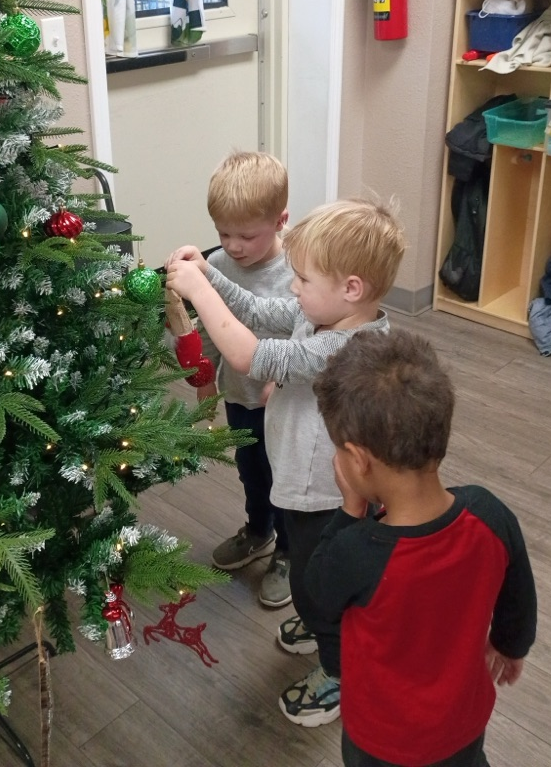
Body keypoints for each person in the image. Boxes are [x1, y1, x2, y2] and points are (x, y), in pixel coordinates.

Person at [165, 196, 406, 725]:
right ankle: (322, 624)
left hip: (326, 493)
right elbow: (256, 311)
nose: (292, 288)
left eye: (303, 280)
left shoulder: (349, 347)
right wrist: (214, 274)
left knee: (317, 585)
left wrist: (199, 292)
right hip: (300, 479)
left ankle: (338, 669)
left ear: (351, 289)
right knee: (309, 571)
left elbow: (251, 354)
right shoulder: (320, 314)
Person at [307, 329, 537, 765]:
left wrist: (349, 509)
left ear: (358, 460)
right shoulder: (489, 514)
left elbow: (317, 596)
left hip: (381, 741)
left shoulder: (356, 551)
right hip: (463, 723)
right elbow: (518, 593)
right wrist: (511, 645)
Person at [196, 151, 294, 608]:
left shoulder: (298, 270)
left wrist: (287, 379)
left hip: (288, 405)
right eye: (223, 234)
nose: (233, 246)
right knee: (252, 471)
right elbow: (211, 326)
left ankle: (291, 553)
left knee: (287, 479)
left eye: (247, 236)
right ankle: (260, 530)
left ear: (280, 221)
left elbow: (312, 333)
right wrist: (203, 378)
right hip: (242, 396)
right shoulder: (217, 265)